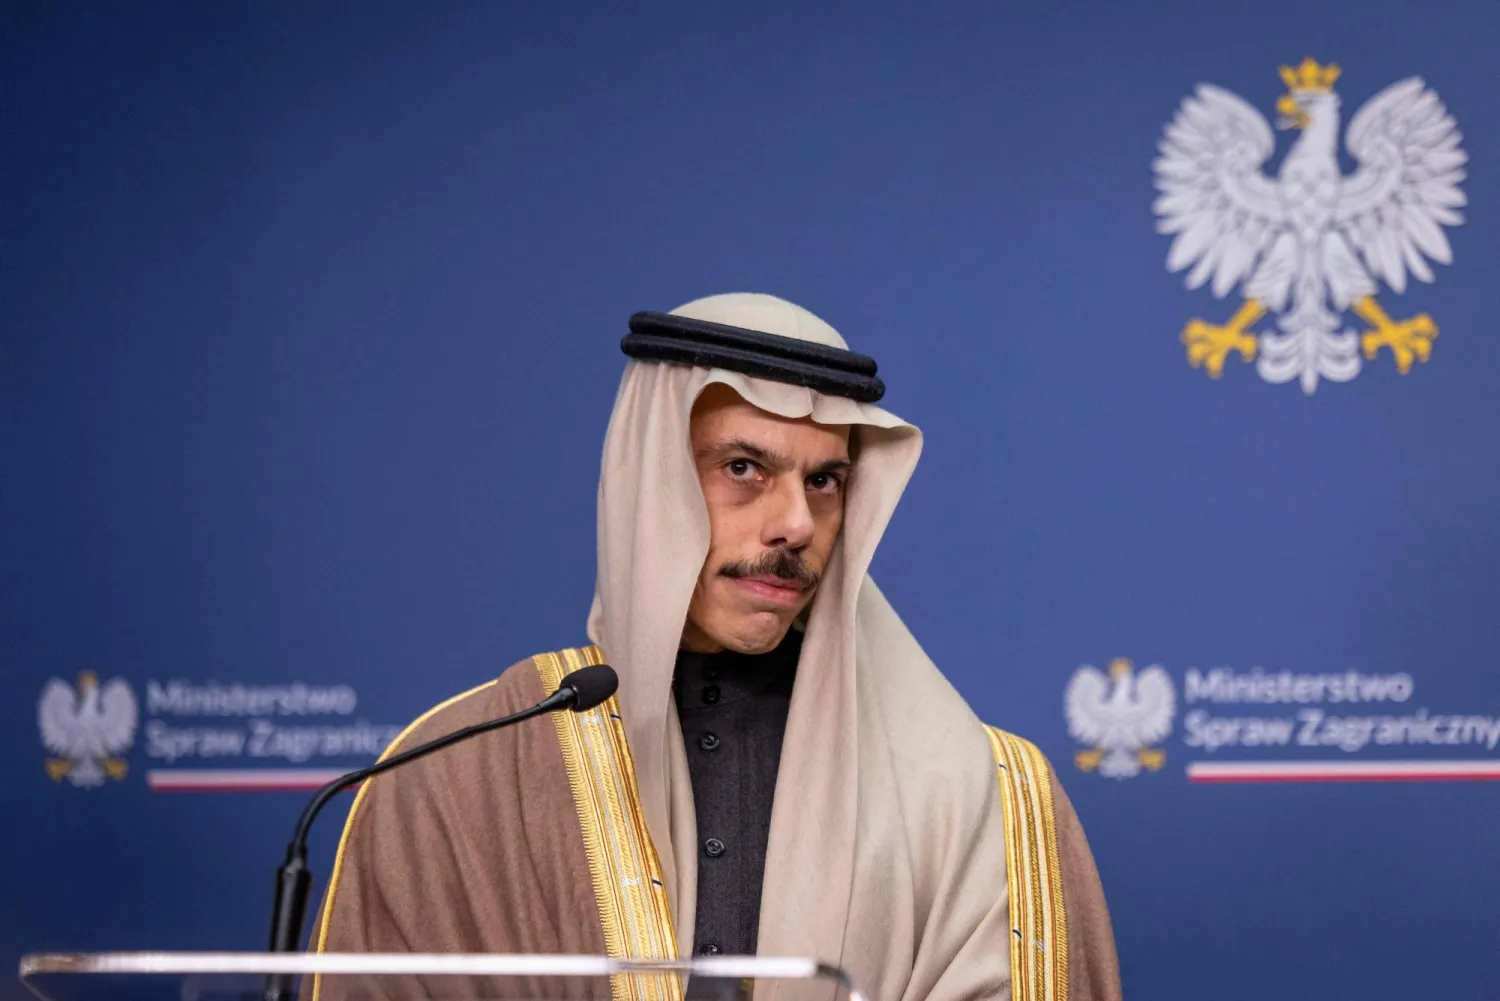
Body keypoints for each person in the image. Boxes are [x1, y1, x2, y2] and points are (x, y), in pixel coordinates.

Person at [309, 294, 1122, 1001]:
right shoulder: (464, 776)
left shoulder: (979, 795)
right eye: (743, 467)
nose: (795, 524)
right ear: (649, 480)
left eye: (824, 481)